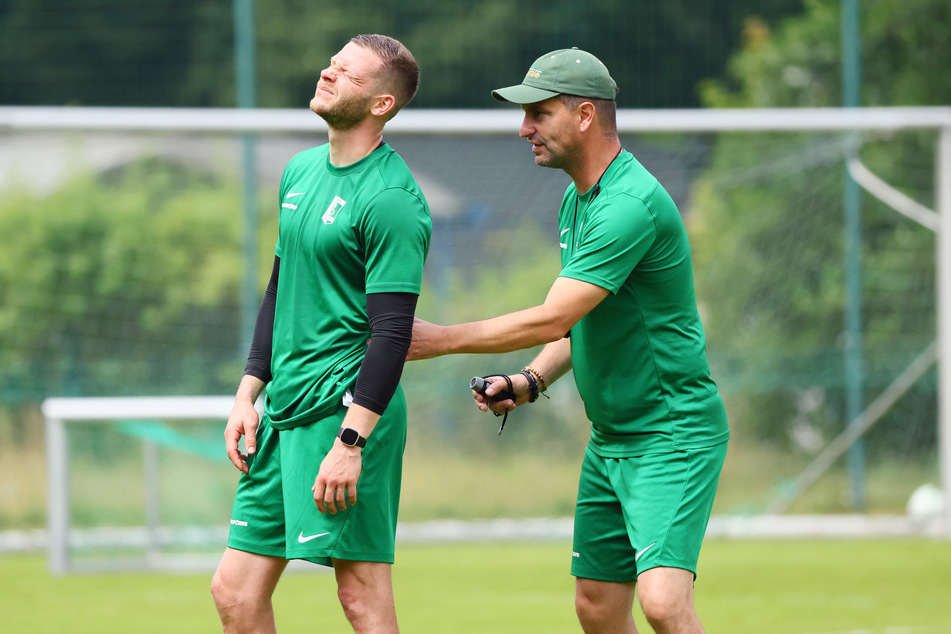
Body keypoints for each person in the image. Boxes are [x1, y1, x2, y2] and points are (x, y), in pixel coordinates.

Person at [409, 48, 729, 634]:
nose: (524, 127)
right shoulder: (577, 199)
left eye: (539, 112)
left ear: (585, 115)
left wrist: (439, 339)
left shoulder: (627, 206)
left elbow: (552, 317)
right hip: (611, 438)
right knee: (598, 608)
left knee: (662, 602)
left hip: (671, 434)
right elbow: (581, 322)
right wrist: (531, 380)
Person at [211, 34, 431, 634]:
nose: (328, 74)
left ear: (382, 104)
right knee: (233, 592)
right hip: (282, 411)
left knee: (360, 596)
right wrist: (248, 393)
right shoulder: (300, 171)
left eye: (348, 74)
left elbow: (392, 332)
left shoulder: (391, 198)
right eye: (330, 63)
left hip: (344, 412)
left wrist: (351, 443)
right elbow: (280, 291)